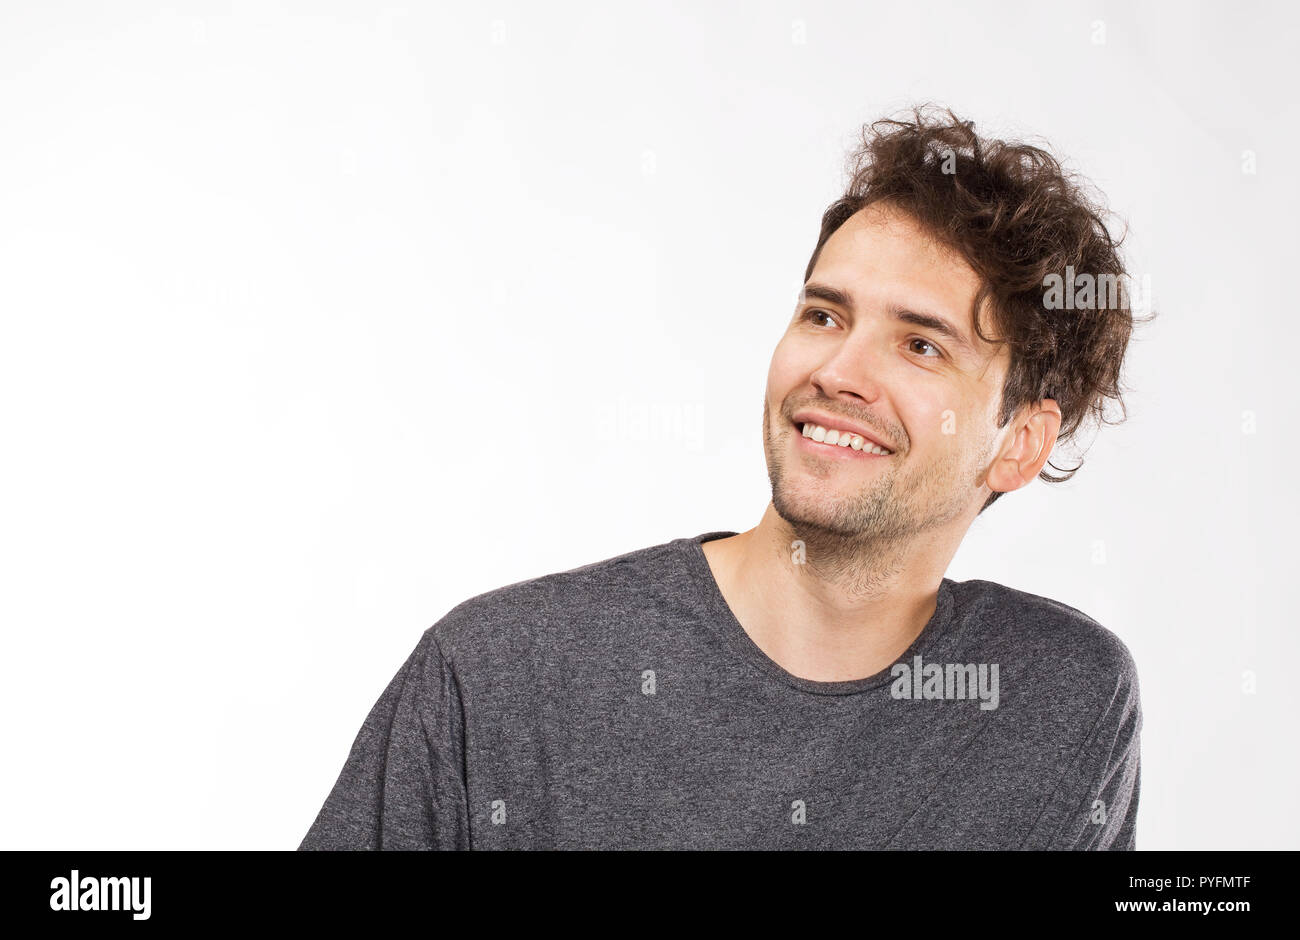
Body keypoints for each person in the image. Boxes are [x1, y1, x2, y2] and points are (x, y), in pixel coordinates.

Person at [299, 106, 1145, 850]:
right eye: (824, 315)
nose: (839, 371)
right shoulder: (498, 676)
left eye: (921, 344)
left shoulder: (1058, 698)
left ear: (1020, 444)